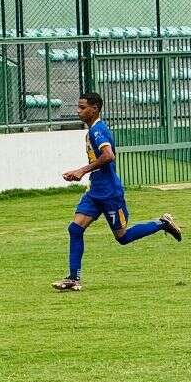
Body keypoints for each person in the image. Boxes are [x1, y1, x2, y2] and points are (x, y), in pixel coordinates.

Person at [52, 92, 181, 291]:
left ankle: (162, 223)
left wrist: (81, 171)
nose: (78, 111)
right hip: (95, 191)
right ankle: (73, 278)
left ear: (94, 108)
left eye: (82, 107)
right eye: (78, 107)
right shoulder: (92, 131)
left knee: (123, 237)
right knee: (75, 229)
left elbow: (108, 156)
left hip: (110, 193)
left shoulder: (98, 131)